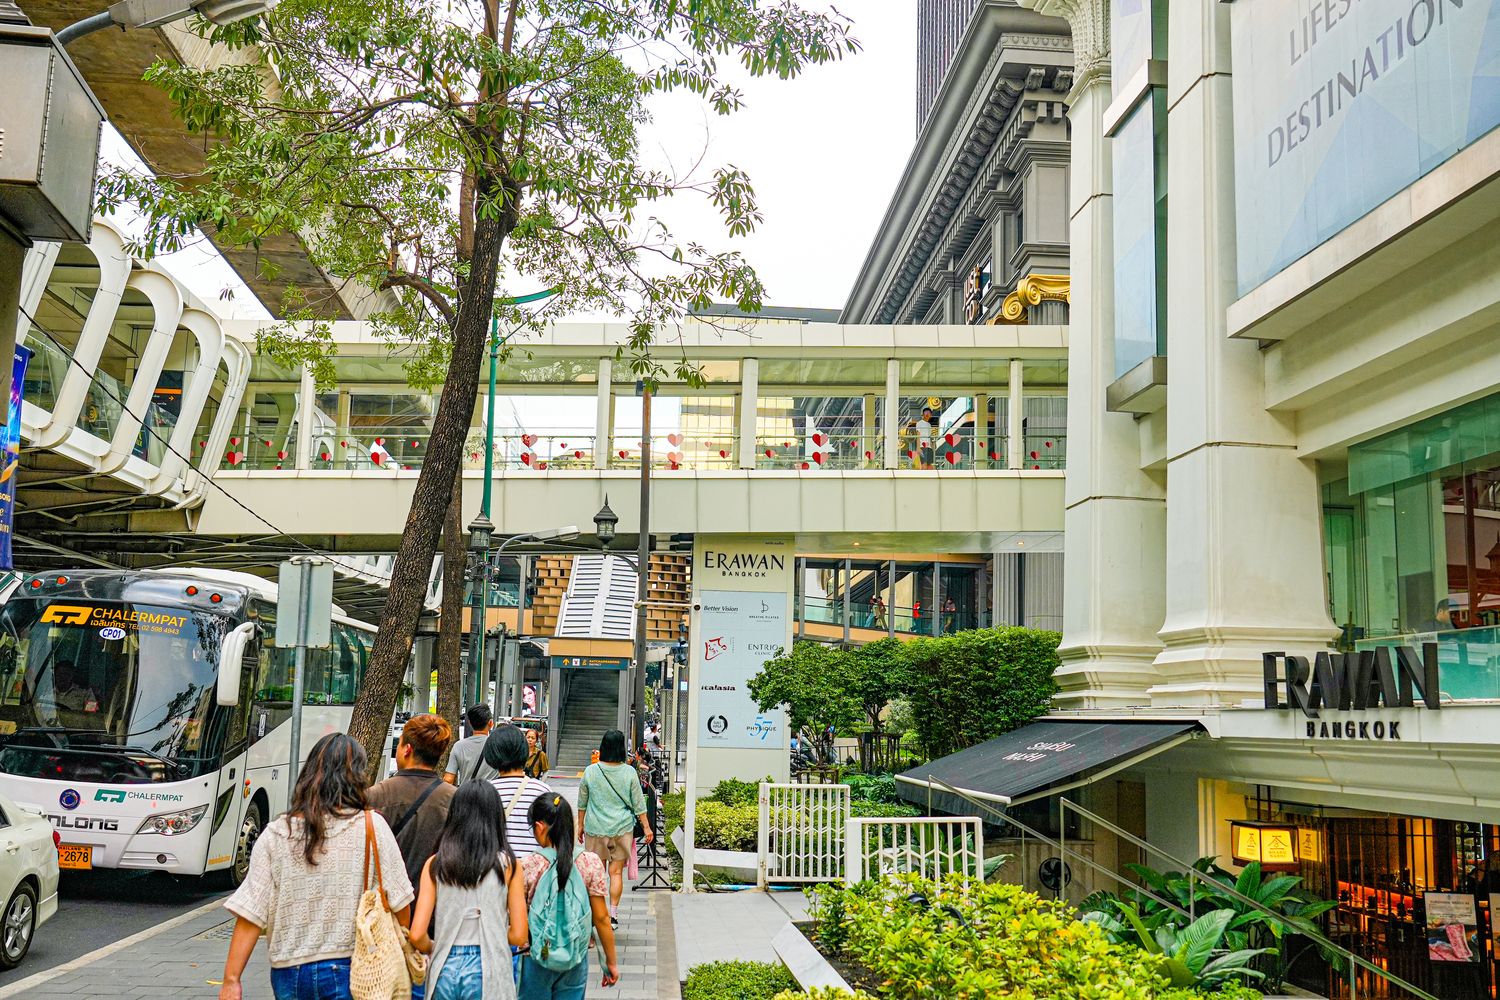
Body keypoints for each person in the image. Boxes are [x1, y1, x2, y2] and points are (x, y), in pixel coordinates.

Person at [218, 733, 413, 1000]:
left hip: (288, 971)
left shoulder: (277, 833)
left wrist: (231, 980)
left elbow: (251, 912)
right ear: (358, 776)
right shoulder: (372, 827)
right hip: (350, 968)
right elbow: (401, 902)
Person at [409, 780, 528, 1000]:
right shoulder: (509, 866)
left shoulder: (435, 865)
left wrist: (434, 946)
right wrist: (495, 930)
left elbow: (416, 934)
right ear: (495, 817)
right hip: (490, 968)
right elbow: (519, 935)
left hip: (444, 967)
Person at [519, 794, 619, 999]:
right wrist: (610, 962)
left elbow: (517, 921)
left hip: (536, 956)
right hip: (575, 956)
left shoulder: (527, 866)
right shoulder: (590, 862)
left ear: (539, 827)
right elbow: (602, 918)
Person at [368, 714, 457, 888]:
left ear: (407, 749)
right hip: (435, 898)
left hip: (385, 899)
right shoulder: (455, 798)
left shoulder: (376, 795)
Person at [577, 729, 652, 924]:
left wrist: (579, 825)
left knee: (597, 873)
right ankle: (613, 915)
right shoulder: (629, 772)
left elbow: (582, 802)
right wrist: (646, 828)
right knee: (616, 873)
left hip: (595, 829)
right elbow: (639, 804)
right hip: (622, 829)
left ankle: (598, 914)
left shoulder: (590, 771)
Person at [487, 724, 552, 857]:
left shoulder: (485, 791)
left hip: (497, 866)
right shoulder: (542, 790)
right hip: (534, 866)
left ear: (492, 754)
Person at [445, 703, 496, 786]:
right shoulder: (498, 745)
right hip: (490, 793)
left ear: (470, 723)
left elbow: (448, 779)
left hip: (466, 792)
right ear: (490, 723)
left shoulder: (459, 746)